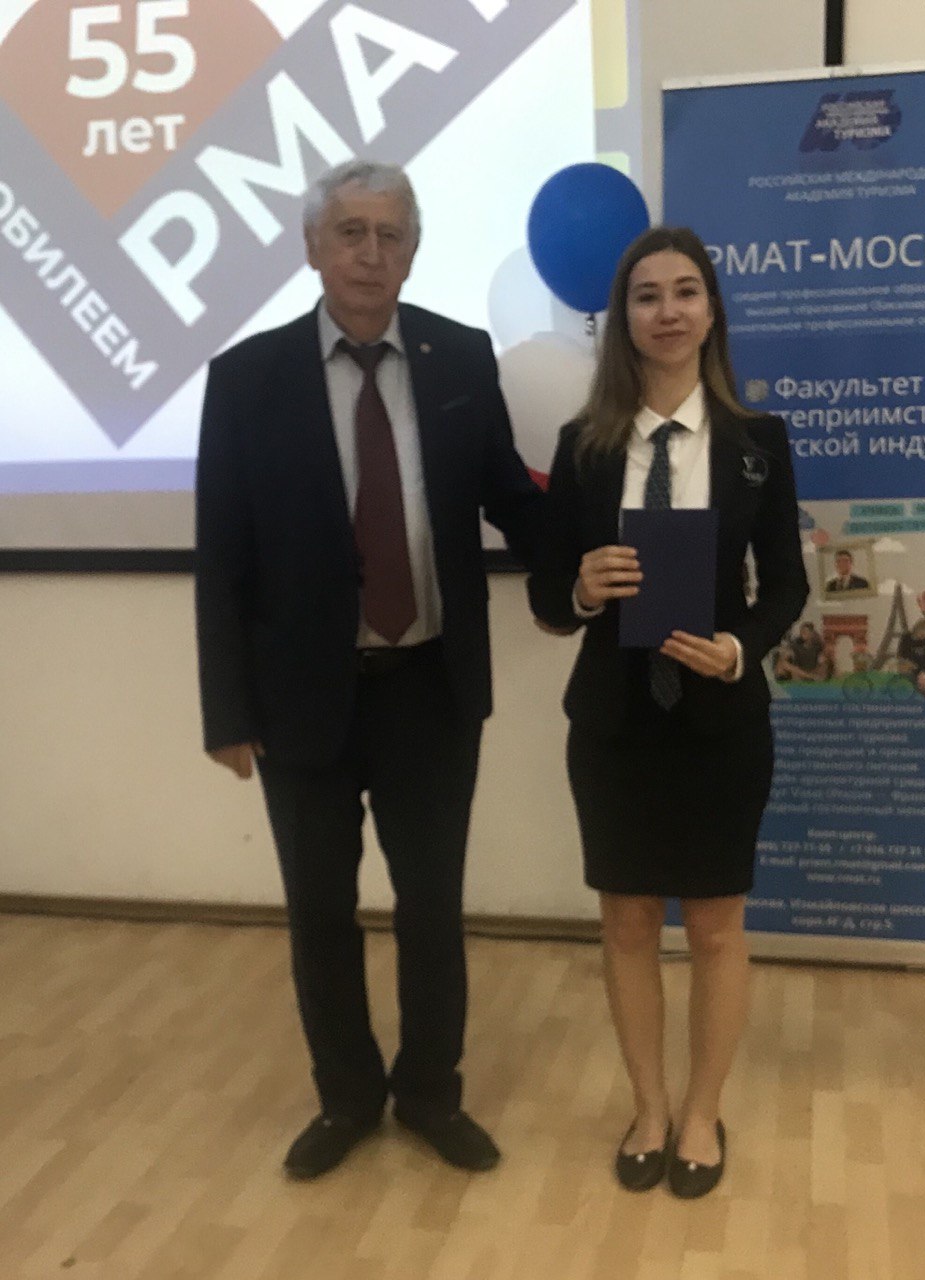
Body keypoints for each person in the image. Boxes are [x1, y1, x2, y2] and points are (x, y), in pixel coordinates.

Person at [195, 160, 544, 1181]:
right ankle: (345, 1097)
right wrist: (226, 710)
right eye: (349, 232)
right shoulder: (247, 377)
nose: (369, 252)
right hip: (301, 698)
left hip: (431, 687)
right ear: (313, 247)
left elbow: (508, 499)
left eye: (390, 234)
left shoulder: (458, 356)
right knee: (319, 913)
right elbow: (222, 557)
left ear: (412, 250)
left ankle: (431, 1092)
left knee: (432, 908)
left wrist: (583, 559)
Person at [528, 226, 808, 1198]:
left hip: (719, 721)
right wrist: (579, 587)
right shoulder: (583, 447)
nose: (668, 310)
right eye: (646, 295)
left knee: (718, 927)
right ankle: (648, 1107)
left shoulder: (757, 443)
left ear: (711, 309)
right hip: (614, 725)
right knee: (627, 923)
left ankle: (700, 1112)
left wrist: (740, 646)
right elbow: (544, 594)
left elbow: (786, 583)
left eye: (686, 291)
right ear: (623, 319)